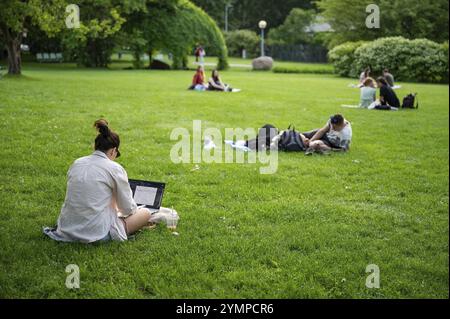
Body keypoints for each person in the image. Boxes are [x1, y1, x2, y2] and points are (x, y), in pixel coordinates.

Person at [43, 119, 172, 244]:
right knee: (145, 213)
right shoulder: (114, 168)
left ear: (95, 147)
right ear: (113, 151)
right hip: (97, 234)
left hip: (66, 229)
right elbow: (127, 209)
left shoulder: (77, 163)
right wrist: (134, 209)